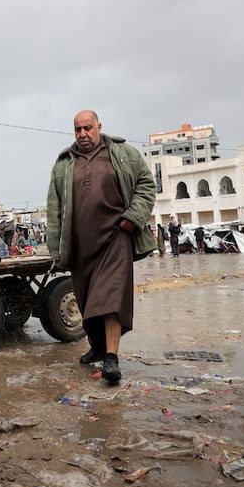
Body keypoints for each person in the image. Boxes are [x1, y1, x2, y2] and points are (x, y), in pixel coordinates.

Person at [46, 110, 156, 383]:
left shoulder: (123, 153)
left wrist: (133, 217)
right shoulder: (63, 163)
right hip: (80, 244)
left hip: (116, 237)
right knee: (86, 301)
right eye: (77, 130)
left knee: (111, 299)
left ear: (99, 127)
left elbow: (146, 185)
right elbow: (54, 207)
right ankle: (97, 345)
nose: (83, 134)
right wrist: (56, 249)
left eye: (87, 128)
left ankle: (111, 358)